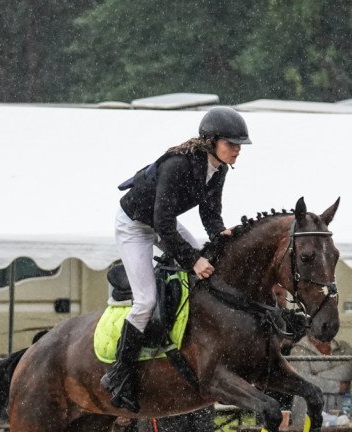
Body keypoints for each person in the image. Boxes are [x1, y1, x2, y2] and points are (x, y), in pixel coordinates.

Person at [101, 106, 251, 413]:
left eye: (239, 144)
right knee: (144, 301)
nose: (237, 149)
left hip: (161, 221)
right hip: (134, 224)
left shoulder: (218, 168)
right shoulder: (178, 165)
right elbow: (163, 223)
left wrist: (222, 235)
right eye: (231, 143)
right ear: (210, 141)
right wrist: (193, 259)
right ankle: (120, 374)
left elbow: (209, 214)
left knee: (201, 267)